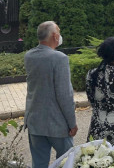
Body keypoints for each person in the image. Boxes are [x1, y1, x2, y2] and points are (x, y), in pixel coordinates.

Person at [24, 21, 77, 168]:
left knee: (39, 164)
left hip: (35, 121)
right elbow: (64, 94)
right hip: (57, 124)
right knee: (66, 162)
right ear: (55, 36)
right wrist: (72, 123)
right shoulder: (60, 58)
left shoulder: (29, 56)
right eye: (59, 31)